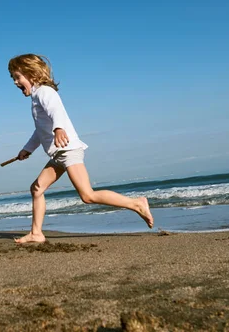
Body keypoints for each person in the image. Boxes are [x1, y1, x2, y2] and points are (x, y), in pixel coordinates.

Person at [8, 54, 154, 244]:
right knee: (36, 188)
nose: (15, 82)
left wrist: (59, 128)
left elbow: (56, 111)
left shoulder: (44, 92)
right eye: (13, 79)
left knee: (87, 195)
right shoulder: (35, 98)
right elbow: (40, 131)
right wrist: (27, 149)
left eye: (17, 77)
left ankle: (136, 203)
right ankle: (36, 233)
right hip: (57, 154)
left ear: (31, 74)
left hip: (68, 150)